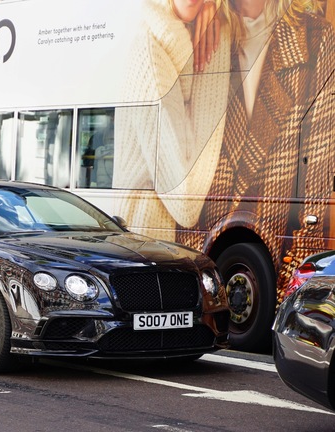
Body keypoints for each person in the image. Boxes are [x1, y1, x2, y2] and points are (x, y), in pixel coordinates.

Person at [176, 0, 335, 296]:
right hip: (199, 259)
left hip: (277, 256)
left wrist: (291, 293)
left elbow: (317, 190)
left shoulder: (315, 39)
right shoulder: (200, 33)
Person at [112, 0, 231, 241]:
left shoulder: (176, 40)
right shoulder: (149, 56)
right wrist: (217, 46)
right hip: (143, 243)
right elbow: (185, 203)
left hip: (156, 244)